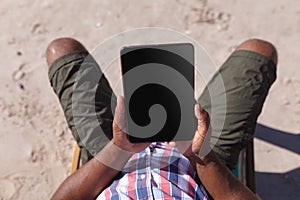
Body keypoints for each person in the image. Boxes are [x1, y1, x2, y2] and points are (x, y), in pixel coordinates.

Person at [46, 37, 277, 199]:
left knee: (62, 49)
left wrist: (118, 148)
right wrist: (199, 154)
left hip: (111, 162)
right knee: (259, 51)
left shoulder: (117, 148)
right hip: (202, 164)